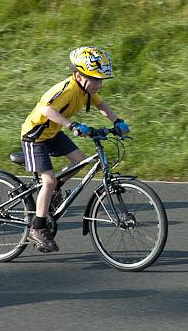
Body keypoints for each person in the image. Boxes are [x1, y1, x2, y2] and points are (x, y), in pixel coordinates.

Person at [20, 46, 130, 252]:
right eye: (95, 79)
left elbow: (102, 106)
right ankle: (37, 227)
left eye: (101, 80)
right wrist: (71, 125)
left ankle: (53, 193)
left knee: (80, 160)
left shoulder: (87, 91)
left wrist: (118, 122)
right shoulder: (68, 89)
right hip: (35, 136)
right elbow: (46, 109)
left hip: (52, 133)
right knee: (49, 180)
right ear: (79, 76)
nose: (100, 84)